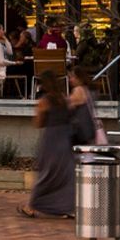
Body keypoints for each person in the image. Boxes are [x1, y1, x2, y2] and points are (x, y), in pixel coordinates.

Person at [23, 75, 75, 218]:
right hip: (65, 137)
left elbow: (38, 123)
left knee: (46, 174)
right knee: (65, 174)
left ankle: (31, 206)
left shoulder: (44, 102)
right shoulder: (65, 99)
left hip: (51, 139)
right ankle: (65, 207)